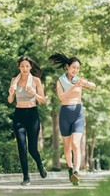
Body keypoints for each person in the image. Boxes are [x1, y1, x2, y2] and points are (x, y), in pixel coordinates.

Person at [49, 52, 96, 185]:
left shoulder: (79, 80)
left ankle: (76, 172)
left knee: (76, 144)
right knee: (67, 146)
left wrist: (86, 83)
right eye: (74, 67)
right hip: (65, 114)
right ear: (67, 67)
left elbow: (93, 86)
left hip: (78, 114)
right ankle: (70, 170)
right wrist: (73, 87)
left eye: (78, 68)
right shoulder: (60, 81)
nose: (76, 70)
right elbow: (61, 98)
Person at [8, 56, 47, 186]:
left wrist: (34, 93)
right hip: (19, 114)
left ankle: (40, 164)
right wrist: (11, 93)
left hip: (32, 115)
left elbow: (43, 100)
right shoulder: (14, 80)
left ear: (30, 67)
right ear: (19, 67)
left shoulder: (36, 80)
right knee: (21, 145)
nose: (24, 68)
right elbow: (10, 101)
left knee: (32, 149)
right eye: (22, 66)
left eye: (27, 66)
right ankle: (26, 177)